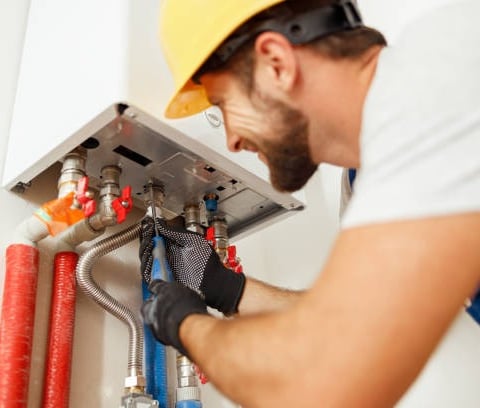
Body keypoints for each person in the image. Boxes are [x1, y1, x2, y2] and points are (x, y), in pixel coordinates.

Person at [141, 0, 480, 406]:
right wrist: (224, 288)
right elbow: (356, 327)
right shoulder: (368, 183)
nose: (231, 138)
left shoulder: (446, 68)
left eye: (223, 105)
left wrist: (183, 326)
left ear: (276, 63)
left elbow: (318, 381)